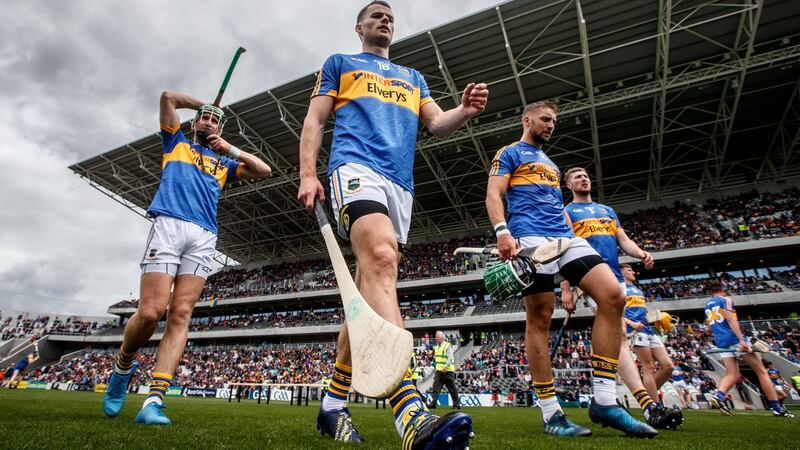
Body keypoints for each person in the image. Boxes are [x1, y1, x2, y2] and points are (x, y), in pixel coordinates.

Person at [297, 1, 488, 447]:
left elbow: (437, 123)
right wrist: (308, 172)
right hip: (354, 167)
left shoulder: (414, 77)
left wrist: (463, 110)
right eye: (376, 14)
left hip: (400, 185)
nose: (385, 19)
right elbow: (316, 118)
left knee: (366, 289)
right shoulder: (340, 63)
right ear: (359, 27)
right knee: (382, 257)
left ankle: (331, 406)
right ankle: (410, 414)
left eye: (390, 16)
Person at [485, 101, 655, 438]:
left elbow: (554, 206)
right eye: (545, 119)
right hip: (529, 236)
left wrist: (569, 231)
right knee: (540, 317)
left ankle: (605, 401)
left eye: (554, 121)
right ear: (527, 119)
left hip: (564, 236)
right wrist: (502, 232)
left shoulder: (550, 163)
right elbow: (494, 193)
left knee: (613, 296)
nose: (551, 125)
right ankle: (551, 414)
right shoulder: (510, 153)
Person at [103, 90, 272, 425]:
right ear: (195, 122)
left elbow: (264, 170)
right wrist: (205, 105)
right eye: (204, 118)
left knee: (181, 313)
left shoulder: (224, 163)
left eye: (215, 120)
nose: (208, 122)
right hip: (168, 225)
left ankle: (153, 401)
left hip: (203, 235)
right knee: (151, 312)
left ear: (221, 129)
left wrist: (230, 148)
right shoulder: (175, 142)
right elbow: (167, 97)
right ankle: (124, 364)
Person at [561, 167, 681, 429]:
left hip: (615, 278)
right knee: (621, 336)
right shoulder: (568, 212)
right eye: (577, 177)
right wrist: (566, 287)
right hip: (590, 275)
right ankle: (649, 407)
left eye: (586, 176)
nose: (584, 178)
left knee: (618, 341)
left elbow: (622, 239)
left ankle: (603, 399)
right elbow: (565, 248)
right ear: (569, 185)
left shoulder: (608, 211)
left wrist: (640, 253)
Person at [704, 282, 793, 417]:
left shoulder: (707, 305)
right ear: (723, 290)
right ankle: (777, 408)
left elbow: (709, 328)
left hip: (721, 342)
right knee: (761, 371)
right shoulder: (726, 300)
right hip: (734, 338)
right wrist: (741, 340)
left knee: (732, 374)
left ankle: (719, 395)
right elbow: (730, 319)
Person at [428, 331, 461, 409]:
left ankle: (456, 404)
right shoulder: (436, 347)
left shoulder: (447, 345)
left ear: (442, 337)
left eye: (437, 337)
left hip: (447, 371)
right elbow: (437, 358)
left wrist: (446, 366)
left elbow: (450, 357)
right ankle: (433, 404)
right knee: (435, 387)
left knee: (452, 388)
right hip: (439, 371)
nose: (436, 338)